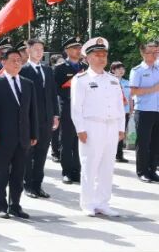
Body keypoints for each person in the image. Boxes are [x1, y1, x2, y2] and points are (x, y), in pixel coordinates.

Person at [71, 37, 126, 216]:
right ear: (88, 58)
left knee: (107, 166)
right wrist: (80, 129)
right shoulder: (81, 79)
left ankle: (103, 202)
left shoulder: (113, 79)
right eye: (97, 55)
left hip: (111, 127)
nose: (101, 58)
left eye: (104, 55)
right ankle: (87, 203)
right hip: (91, 126)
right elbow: (76, 107)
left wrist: (121, 127)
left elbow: (119, 106)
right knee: (90, 165)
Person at [0, 45, 38, 219]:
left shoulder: (28, 84)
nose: (17, 63)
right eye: (13, 60)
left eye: (19, 60)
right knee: (1, 173)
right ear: (3, 62)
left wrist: (33, 134)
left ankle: (15, 205)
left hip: (23, 137)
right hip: (2, 137)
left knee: (18, 174)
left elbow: (32, 111)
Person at [20, 39, 58, 198]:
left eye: (41, 49)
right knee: (28, 153)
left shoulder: (48, 70)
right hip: (30, 119)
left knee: (42, 153)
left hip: (46, 119)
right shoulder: (23, 70)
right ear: (28, 51)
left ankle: (38, 185)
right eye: (36, 49)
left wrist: (55, 115)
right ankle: (27, 185)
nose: (39, 52)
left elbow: (53, 94)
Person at [55, 37, 87, 184]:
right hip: (67, 108)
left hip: (84, 110)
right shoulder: (60, 68)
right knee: (67, 141)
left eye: (79, 47)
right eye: (75, 48)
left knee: (80, 141)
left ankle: (77, 171)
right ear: (67, 50)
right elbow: (56, 90)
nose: (78, 50)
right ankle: (67, 172)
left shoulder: (86, 67)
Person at [129, 41, 159, 182]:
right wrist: (153, 89)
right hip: (144, 111)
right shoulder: (137, 70)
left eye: (156, 51)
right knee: (143, 143)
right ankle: (142, 171)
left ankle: (152, 170)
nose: (154, 54)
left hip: (157, 111)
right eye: (151, 52)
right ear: (143, 53)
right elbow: (133, 91)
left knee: (155, 143)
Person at [113, 62, 132, 163]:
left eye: (123, 69)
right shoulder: (109, 81)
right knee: (111, 133)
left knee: (121, 133)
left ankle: (119, 154)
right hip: (113, 112)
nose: (121, 70)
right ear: (113, 70)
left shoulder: (127, 82)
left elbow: (130, 97)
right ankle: (109, 153)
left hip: (125, 112)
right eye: (118, 68)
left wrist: (131, 109)